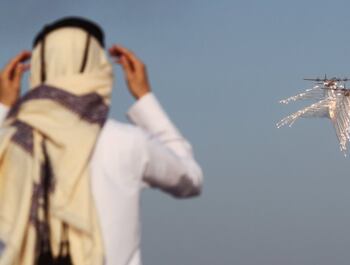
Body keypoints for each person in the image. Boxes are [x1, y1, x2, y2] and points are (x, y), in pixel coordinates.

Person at [0, 17, 202, 265]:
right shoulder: (127, 142)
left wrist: (4, 109)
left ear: (40, 68)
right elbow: (191, 179)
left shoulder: (10, 145)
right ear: (99, 67)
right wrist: (145, 98)